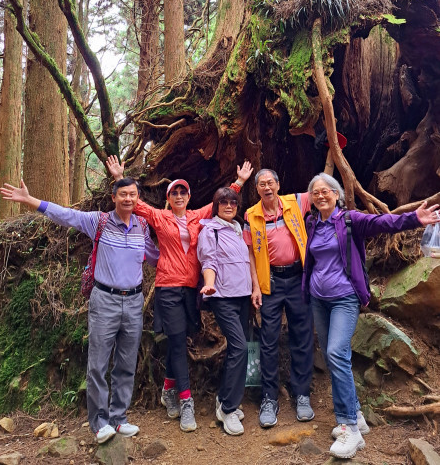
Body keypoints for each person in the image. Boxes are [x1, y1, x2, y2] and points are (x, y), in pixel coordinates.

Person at [0, 176, 159, 445]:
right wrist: (30, 201)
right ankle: (99, 423)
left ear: (137, 198)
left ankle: (119, 419)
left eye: (133, 194)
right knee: (98, 364)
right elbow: (66, 215)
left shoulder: (141, 227)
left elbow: (158, 256)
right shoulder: (99, 221)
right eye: (123, 194)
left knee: (126, 363)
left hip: (133, 301)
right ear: (114, 197)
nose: (128, 199)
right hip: (104, 299)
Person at [106, 155, 253, 434]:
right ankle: (186, 402)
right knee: (176, 341)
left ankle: (168, 388)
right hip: (167, 287)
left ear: (188, 195)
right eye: (174, 192)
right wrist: (118, 178)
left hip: (190, 289)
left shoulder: (199, 216)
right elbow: (135, 205)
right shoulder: (160, 217)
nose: (179, 195)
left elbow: (222, 201)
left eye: (183, 191)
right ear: (168, 197)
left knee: (181, 340)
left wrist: (241, 181)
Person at [303, 172, 440, 460]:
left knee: (337, 352)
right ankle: (357, 416)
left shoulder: (351, 220)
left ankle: (350, 428)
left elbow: (384, 222)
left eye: (326, 191)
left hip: (344, 299)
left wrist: (415, 218)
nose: (320, 195)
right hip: (319, 301)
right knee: (332, 357)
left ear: (337, 195)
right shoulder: (313, 223)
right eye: (315, 192)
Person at [243, 169, 314, 428]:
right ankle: (269, 398)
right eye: (261, 184)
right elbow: (250, 254)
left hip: (298, 278)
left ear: (278, 184)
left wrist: (331, 150)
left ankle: (302, 394)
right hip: (270, 282)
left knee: (302, 336)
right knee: (269, 340)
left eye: (270, 182)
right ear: (257, 189)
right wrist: (255, 286)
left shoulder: (296, 201)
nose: (267, 187)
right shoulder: (251, 215)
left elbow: (322, 185)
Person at [197, 187, 252, 436]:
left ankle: (226, 399)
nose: (229, 206)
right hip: (223, 297)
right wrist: (209, 283)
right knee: (239, 346)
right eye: (223, 202)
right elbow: (208, 261)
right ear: (215, 205)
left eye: (233, 202)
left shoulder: (238, 229)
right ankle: (228, 409)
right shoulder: (210, 230)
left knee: (242, 348)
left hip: (243, 296)